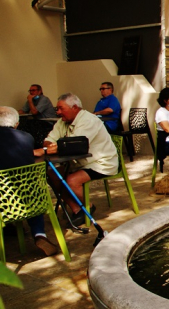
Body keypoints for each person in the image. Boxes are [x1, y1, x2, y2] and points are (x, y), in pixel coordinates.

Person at [34, 93, 118, 227]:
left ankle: (88, 206)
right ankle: (77, 209)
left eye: (61, 108)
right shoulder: (62, 121)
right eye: (57, 109)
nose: (58, 112)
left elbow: (74, 145)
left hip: (101, 162)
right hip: (77, 163)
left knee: (71, 181)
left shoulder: (88, 120)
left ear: (75, 108)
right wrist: (52, 147)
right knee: (52, 174)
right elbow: (49, 140)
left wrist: (47, 150)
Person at [0, 106, 59, 256]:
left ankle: (7, 226)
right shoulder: (27, 138)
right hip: (29, 199)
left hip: (3, 202)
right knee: (29, 185)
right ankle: (40, 234)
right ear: (16, 124)